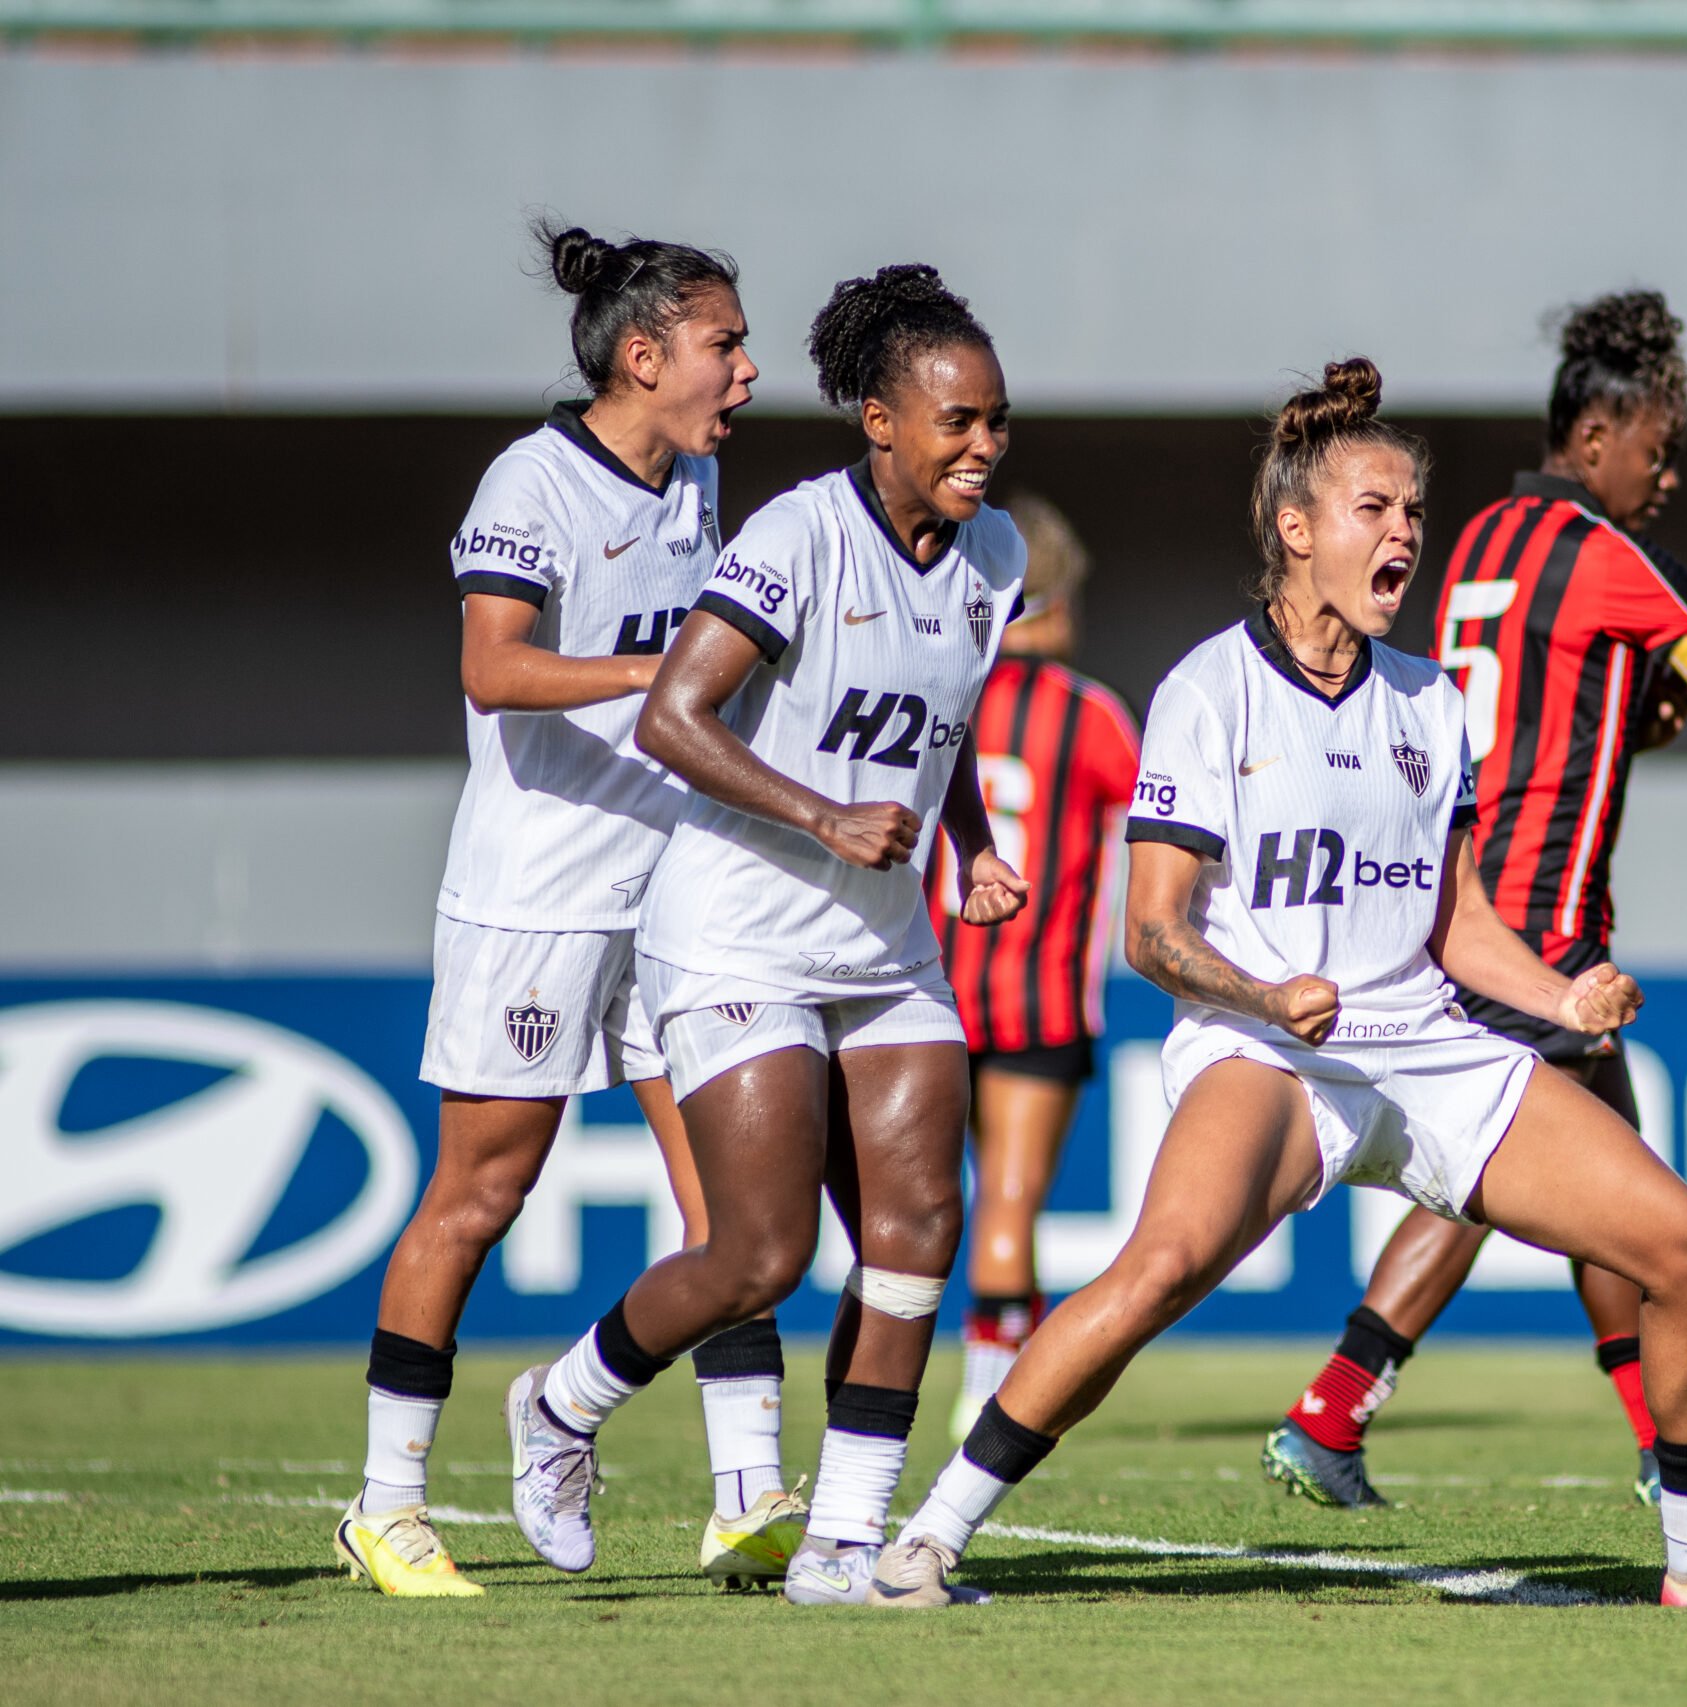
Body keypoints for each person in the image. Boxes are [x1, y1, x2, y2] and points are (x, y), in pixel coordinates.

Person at [867, 359, 1687, 1612]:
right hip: (1267, 1054)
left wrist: (1560, 1000)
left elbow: (1461, 925)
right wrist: (1266, 1000)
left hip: (1428, 1049)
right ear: (1296, 529)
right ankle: (927, 1542)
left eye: (1412, 514)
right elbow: (1151, 938)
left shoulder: (1430, 704)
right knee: (1159, 1267)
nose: (1404, 536)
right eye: (1373, 510)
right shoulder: (1207, 692)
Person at [1262, 292, 1687, 1513]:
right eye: (1656, 454)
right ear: (1600, 435)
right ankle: (1331, 1409)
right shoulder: (1613, 560)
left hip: (1466, 887)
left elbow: (1536, 719)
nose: (1663, 481)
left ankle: (1661, 1450)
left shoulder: (1483, 540)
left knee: (1623, 1198)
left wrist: (1631, 723)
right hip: (1533, 924)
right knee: (1497, 1165)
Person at [499, 263, 1030, 1609]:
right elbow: (677, 715)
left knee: (916, 1232)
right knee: (762, 1253)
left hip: (889, 946)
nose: (981, 446)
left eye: (995, 421)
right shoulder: (799, 537)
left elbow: (937, 723)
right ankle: (561, 1403)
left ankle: (845, 1545)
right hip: (735, 927)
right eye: (955, 421)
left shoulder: (999, 556)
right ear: (881, 420)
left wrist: (966, 837)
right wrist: (822, 813)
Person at [335, 222, 784, 1600]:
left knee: (734, 1197)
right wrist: (660, 674)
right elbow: (495, 666)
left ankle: (748, 1491)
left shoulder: (696, 487)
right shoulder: (532, 479)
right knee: (480, 1192)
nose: (748, 372)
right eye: (725, 345)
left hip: (680, 890)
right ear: (644, 357)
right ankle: (387, 1503)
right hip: (536, 897)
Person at [923, 495, 1142, 1441]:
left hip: (924, 986)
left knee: (919, 1206)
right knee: (1007, 1200)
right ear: (1047, 602)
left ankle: (887, 1402)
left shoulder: (940, 695)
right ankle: (989, 1393)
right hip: (1041, 996)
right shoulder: (1091, 717)